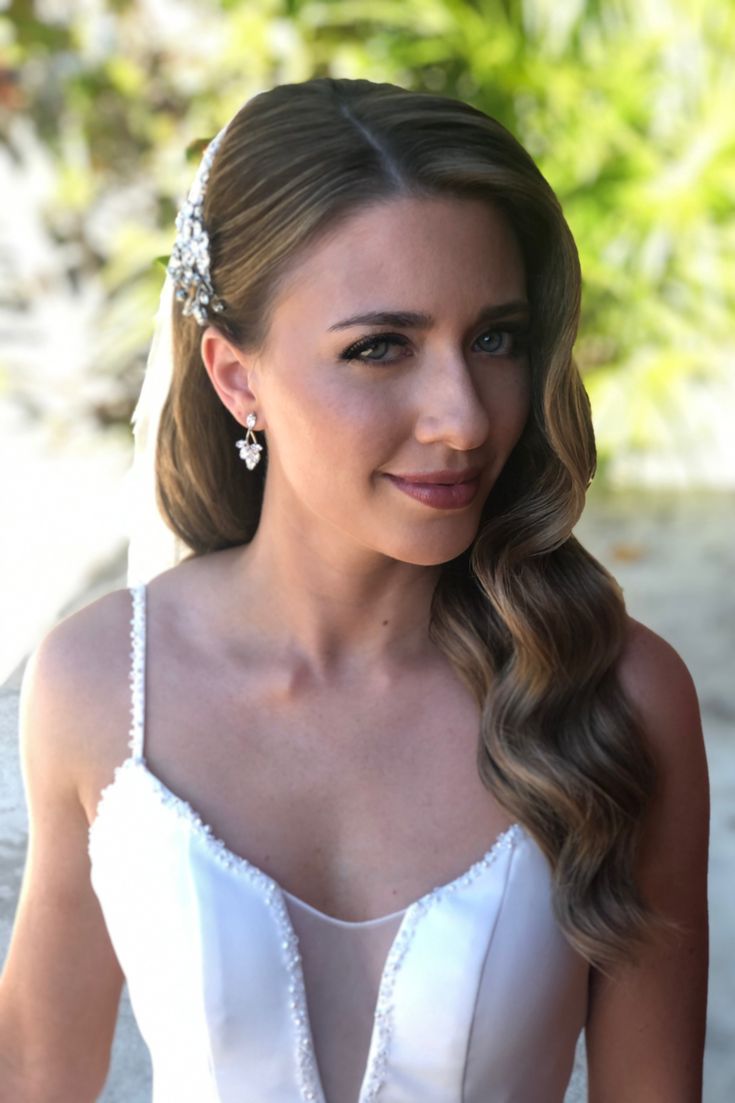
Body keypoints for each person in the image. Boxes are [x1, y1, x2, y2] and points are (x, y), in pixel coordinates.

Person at [0, 76, 709, 1103]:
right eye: (381, 347)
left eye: (495, 338)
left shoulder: (616, 696)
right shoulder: (103, 686)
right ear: (237, 377)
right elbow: (30, 1072)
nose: (464, 417)